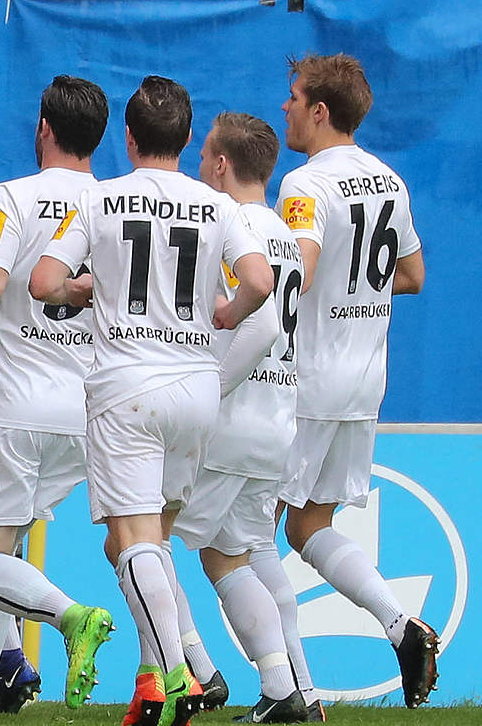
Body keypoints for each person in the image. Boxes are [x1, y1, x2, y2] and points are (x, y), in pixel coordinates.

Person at [30, 75, 274, 726]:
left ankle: (177, 672)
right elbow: (260, 280)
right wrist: (226, 313)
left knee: (131, 539)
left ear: (128, 139)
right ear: (188, 137)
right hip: (196, 386)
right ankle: (157, 681)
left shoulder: (101, 200)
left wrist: (86, 290)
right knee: (154, 540)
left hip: (128, 383)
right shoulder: (216, 205)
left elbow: (43, 280)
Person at [0, 75, 114, 721]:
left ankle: (71, 618)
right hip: (88, 412)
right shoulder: (111, 204)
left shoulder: (12, 196)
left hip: (13, 408)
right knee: (0, 550)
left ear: (43, 127)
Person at [276, 53, 435, 709]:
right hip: (363, 381)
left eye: (293, 97)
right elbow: (414, 275)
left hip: (305, 382)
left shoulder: (305, 184)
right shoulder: (389, 182)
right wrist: (356, 287)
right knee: (307, 527)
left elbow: (298, 273)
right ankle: (403, 628)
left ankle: (291, 690)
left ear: (320, 110)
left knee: (249, 536)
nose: (285, 107)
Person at [171, 111, 317, 723]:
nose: (201, 167)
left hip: (231, 422)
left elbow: (254, 324)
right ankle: (296, 691)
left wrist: (211, 391)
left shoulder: (235, 226)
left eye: (205, 156)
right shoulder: (286, 234)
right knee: (243, 553)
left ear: (223, 165)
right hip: (276, 418)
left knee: (138, 539)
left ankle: (193, 671)